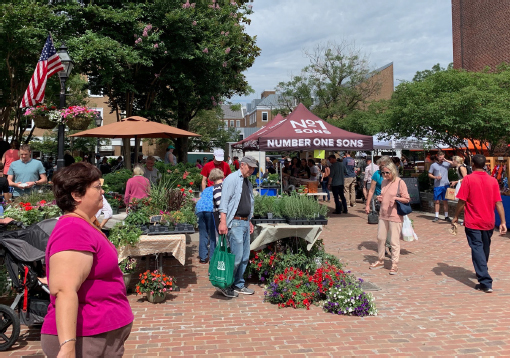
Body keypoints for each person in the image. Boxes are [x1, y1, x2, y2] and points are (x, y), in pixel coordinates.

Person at [40, 162, 133, 357]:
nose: (103, 191)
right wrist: (67, 347)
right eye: (97, 187)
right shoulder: (73, 229)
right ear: (76, 194)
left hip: (97, 336)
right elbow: (64, 290)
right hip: (87, 338)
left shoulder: (83, 224)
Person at [453, 154, 507, 293]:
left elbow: (462, 201)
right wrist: (503, 221)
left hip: (473, 221)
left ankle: (485, 281)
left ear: (472, 164)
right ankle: (482, 270)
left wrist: (455, 217)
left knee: (477, 248)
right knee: (484, 247)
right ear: (484, 165)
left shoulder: (468, 179)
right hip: (489, 220)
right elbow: (499, 202)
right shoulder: (493, 180)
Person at [218, 156, 257, 298]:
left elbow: (248, 202)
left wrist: (250, 221)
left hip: (245, 222)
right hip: (234, 222)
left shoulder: (247, 182)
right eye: (250, 167)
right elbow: (224, 201)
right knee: (236, 257)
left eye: (253, 168)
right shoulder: (232, 179)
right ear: (242, 165)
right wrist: (223, 222)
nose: (252, 170)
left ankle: (238, 284)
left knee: (245, 256)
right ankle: (225, 285)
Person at [368, 162, 410, 275]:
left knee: (393, 241)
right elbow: (382, 195)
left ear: (393, 171)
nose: (385, 174)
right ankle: (380, 260)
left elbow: (407, 199)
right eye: (383, 172)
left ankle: (394, 263)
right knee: (380, 238)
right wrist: (379, 198)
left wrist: (396, 198)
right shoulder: (384, 182)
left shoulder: (400, 182)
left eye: (387, 172)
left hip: (395, 215)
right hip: (383, 213)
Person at [196, 170, 223, 264]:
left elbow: (200, 198)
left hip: (199, 209)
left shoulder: (207, 189)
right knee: (213, 235)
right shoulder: (219, 188)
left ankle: (203, 257)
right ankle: (212, 258)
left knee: (203, 233)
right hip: (210, 210)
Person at [428, 151, 454, 222]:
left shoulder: (447, 163)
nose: (441, 158)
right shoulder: (433, 165)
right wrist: (435, 177)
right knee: (437, 201)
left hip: (445, 184)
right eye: (439, 157)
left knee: (445, 201)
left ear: (444, 156)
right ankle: (436, 216)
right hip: (437, 185)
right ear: (437, 157)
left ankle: (446, 216)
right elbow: (429, 174)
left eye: (442, 156)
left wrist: (445, 160)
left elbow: (454, 164)